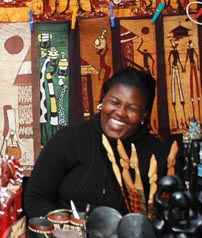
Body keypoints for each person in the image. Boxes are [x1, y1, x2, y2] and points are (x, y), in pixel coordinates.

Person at [23, 67, 170, 218]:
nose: (120, 113)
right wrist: (65, 225)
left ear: (144, 114)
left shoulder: (158, 157)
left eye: (132, 108)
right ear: (102, 100)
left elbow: (164, 215)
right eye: (114, 102)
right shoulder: (69, 139)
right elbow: (35, 199)